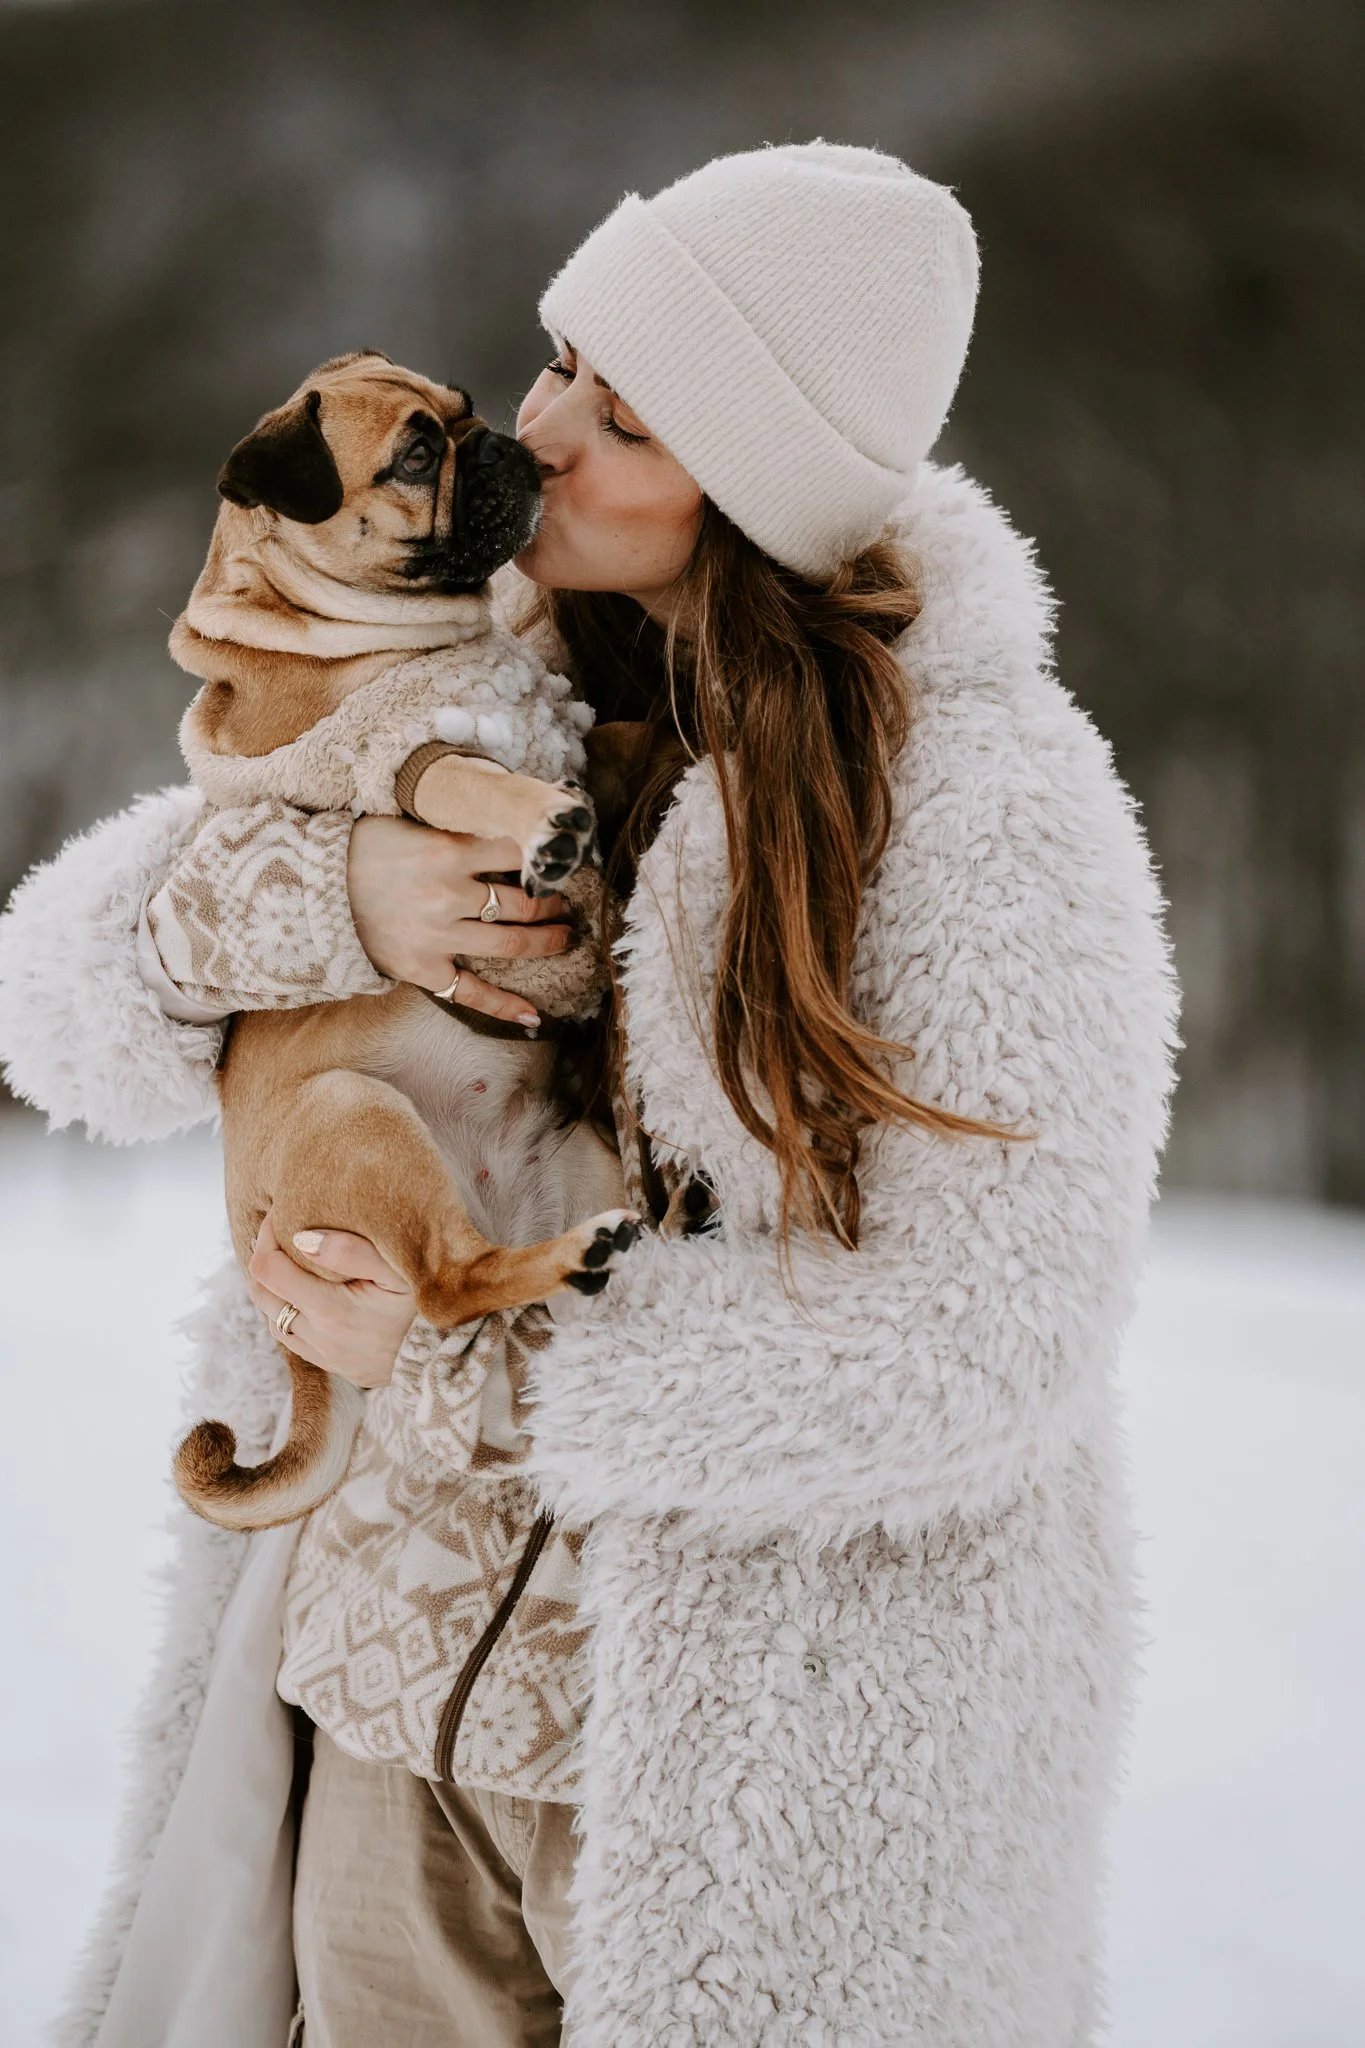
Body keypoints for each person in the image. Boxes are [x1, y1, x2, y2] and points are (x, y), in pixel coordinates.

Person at [0, 144, 1178, 2048]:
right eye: (557, 359)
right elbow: (64, 1000)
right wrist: (340, 892)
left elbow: (992, 1336)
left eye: (619, 419)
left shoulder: (988, 814)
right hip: (379, 1694)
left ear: (753, 488)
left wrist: (475, 1338)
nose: (537, 430)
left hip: (743, 1783)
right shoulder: (484, 666)